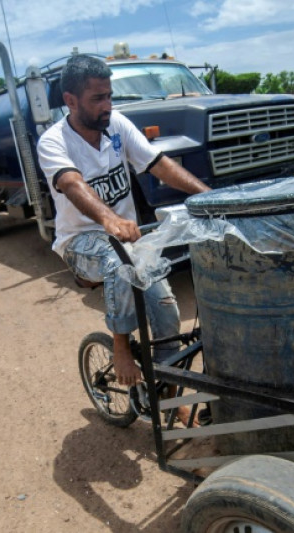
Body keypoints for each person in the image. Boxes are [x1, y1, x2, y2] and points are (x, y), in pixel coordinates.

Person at [37, 54, 210, 388]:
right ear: (70, 101)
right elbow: (72, 183)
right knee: (119, 259)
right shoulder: (53, 141)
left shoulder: (116, 124)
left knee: (167, 313)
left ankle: (166, 397)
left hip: (128, 239)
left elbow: (158, 163)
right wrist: (109, 219)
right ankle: (120, 346)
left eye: (110, 95)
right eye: (97, 98)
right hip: (81, 244)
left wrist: (206, 195)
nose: (107, 105)